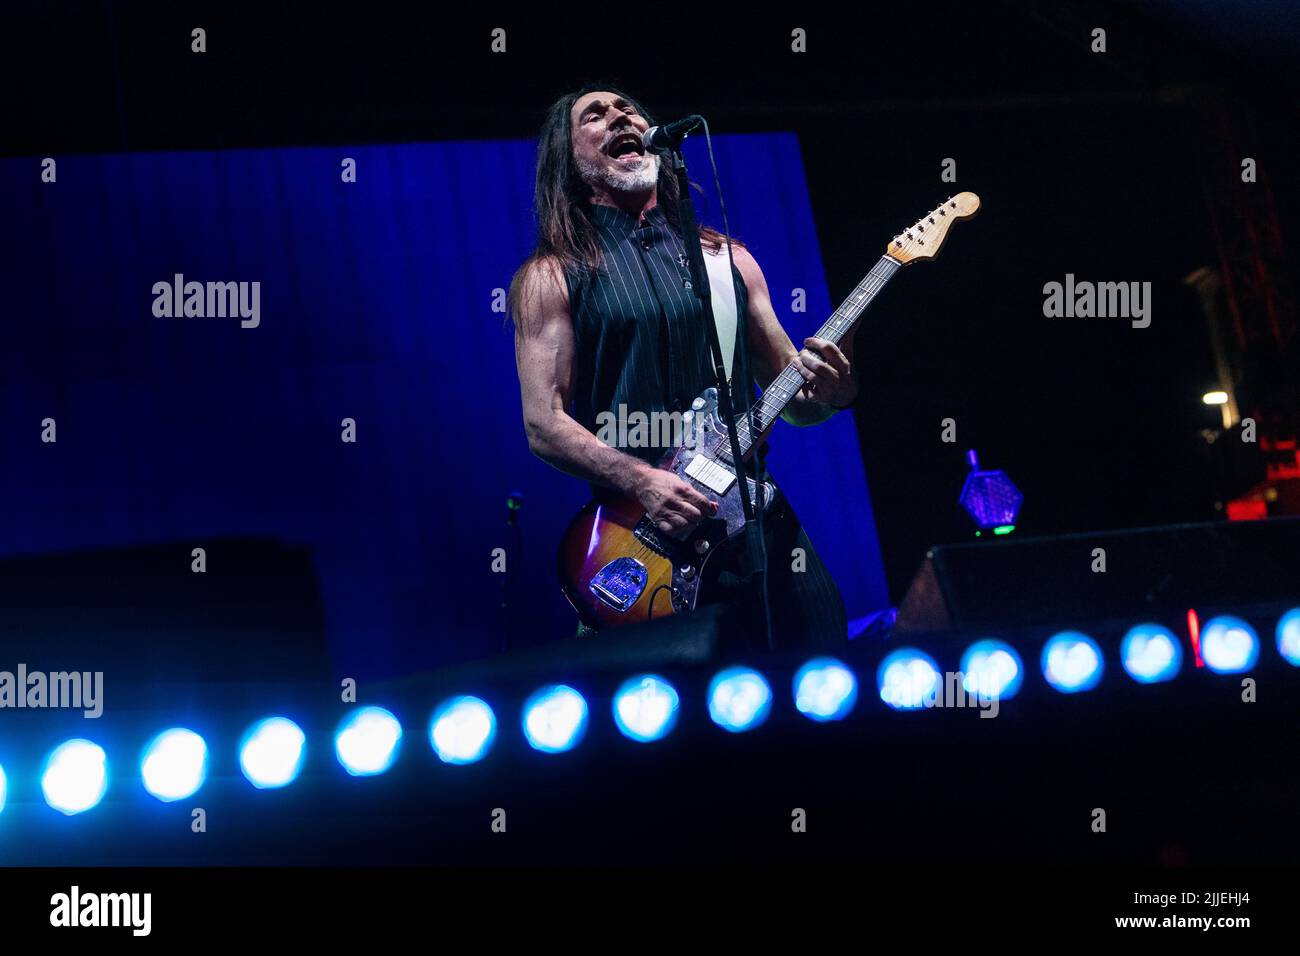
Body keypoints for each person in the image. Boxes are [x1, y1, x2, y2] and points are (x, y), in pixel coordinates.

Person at [509, 84, 852, 649]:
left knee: (823, 663)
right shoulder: (551, 276)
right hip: (642, 531)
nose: (618, 117)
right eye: (593, 116)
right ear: (569, 162)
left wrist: (837, 388)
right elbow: (542, 424)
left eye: (627, 109)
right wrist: (641, 481)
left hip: (756, 517)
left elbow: (798, 402)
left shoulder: (729, 260)